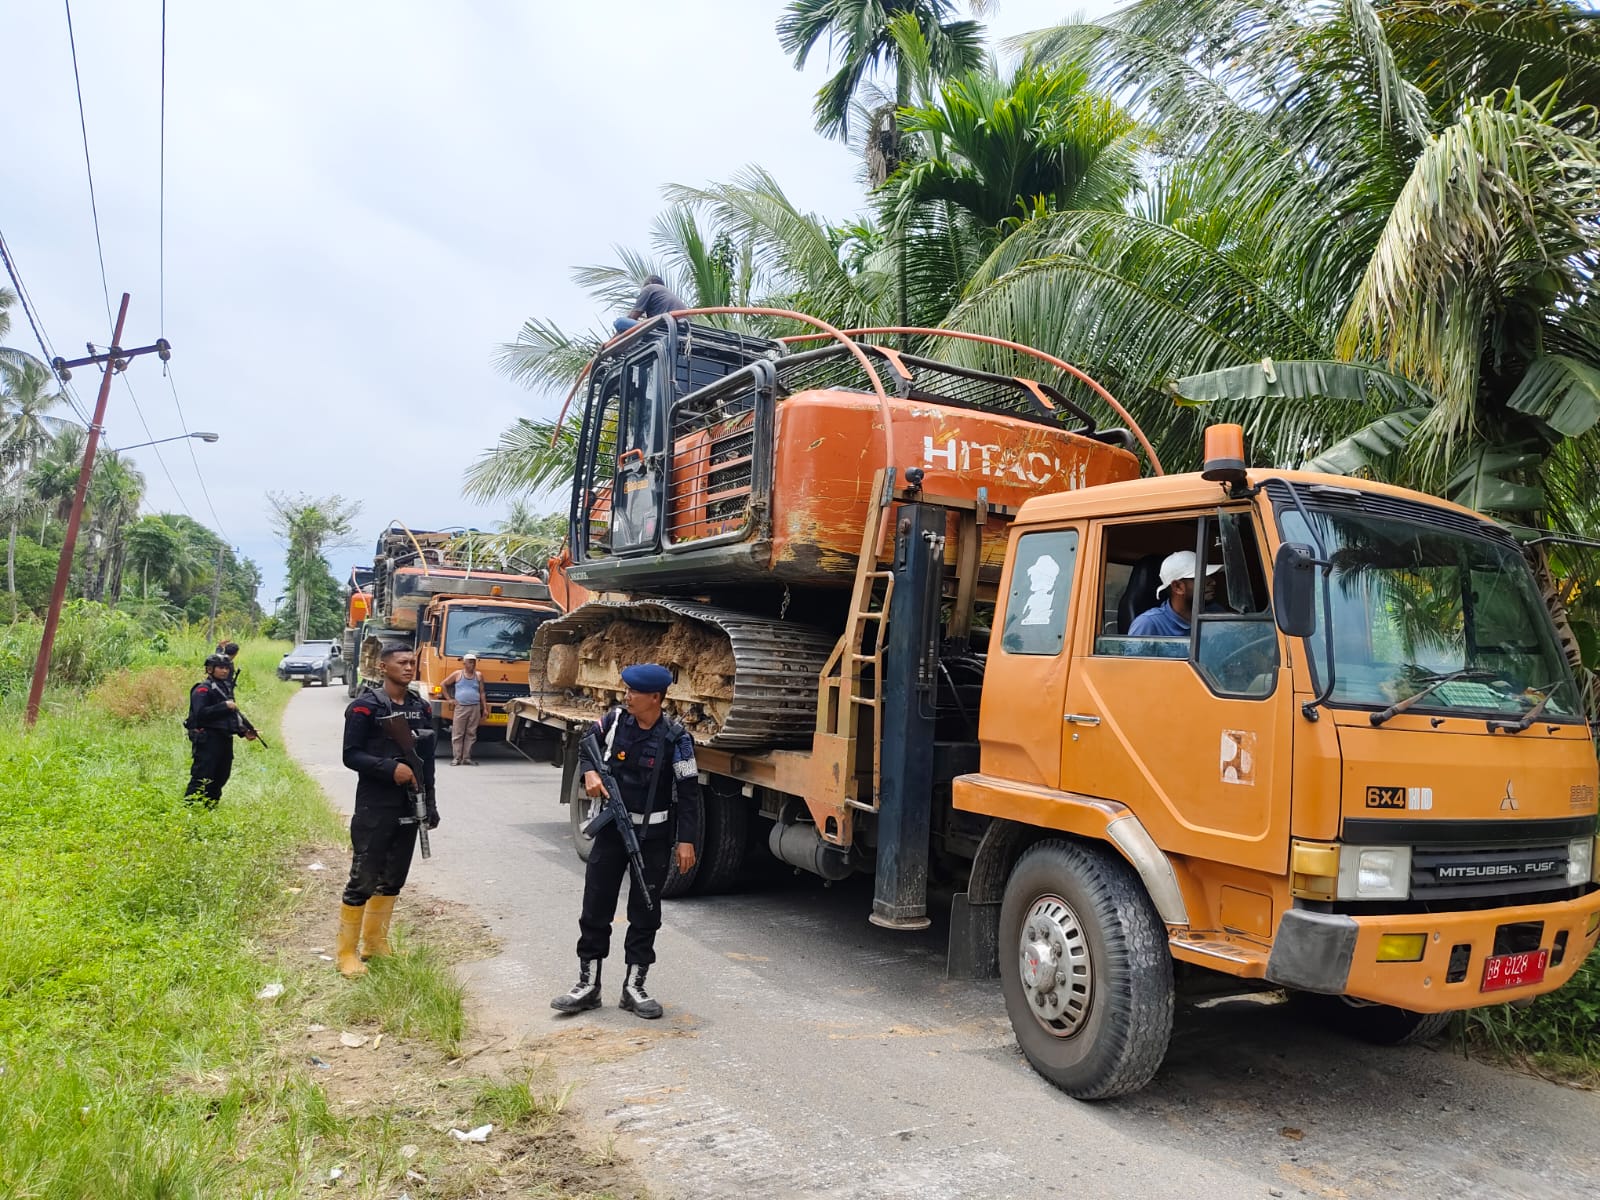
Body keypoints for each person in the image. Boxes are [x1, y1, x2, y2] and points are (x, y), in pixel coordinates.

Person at [551, 663, 700, 1020]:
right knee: (596, 905)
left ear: (656, 698)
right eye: (627, 690)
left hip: (653, 837)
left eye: (634, 692)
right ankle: (587, 985)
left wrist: (686, 841)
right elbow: (585, 747)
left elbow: (690, 792)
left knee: (646, 910)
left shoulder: (677, 739)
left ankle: (635, 987)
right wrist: (588, 772)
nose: (627, 696)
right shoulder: (614, 722)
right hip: (611, 831)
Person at [336, 644, 439, 978]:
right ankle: (346, 953)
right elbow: (350, 755)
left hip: (410, 803)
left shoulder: (420, 708)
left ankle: (375, 944)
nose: (409, 668)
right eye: (402, 663)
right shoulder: (365, 708)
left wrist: (431, 803)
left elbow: (427, 763)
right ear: (383, 667)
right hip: (375, 804)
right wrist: (388, 769)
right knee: (363, 877)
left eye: (413, 663)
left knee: (393, 877)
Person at [184, 653, 257, 806]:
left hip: (224, 738)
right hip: (208, 739)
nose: (224, 671)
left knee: (221, 775)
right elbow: (200, 714)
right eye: (220, 668)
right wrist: (224, 706)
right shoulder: (203, 689)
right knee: (202, 776)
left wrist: (244, 731)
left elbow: (230, 717)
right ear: (210, 669)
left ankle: (210, 808)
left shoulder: (226, 688)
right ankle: (190, 808)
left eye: (226, 668)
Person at [1128, 550, 1221, 638]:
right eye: (1202, 577)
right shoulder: (1148, 624)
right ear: (1178, 587)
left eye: (1210, 576)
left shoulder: (1216, 613)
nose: (1213, 582)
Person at [441, 653, 485, 765]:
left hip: (475, 707)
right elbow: (443, 684)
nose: (472, 664)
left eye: (474, 662)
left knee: (471, 733)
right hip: (461, 707)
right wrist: (449, 699)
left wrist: (484, 708)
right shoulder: (457, 674)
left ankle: (466, 758)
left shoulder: (478, 675)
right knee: (458, 733)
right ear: (464, 663)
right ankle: (456, 758)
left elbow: (482, 692)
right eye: (470, 662)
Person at [613, 274, 686, 334]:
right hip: (683, 331)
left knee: (620, 322)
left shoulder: (649, 288)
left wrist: (611, 343)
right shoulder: (667, 294)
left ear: (650, 283)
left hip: (667, 331)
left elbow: (632, 317)